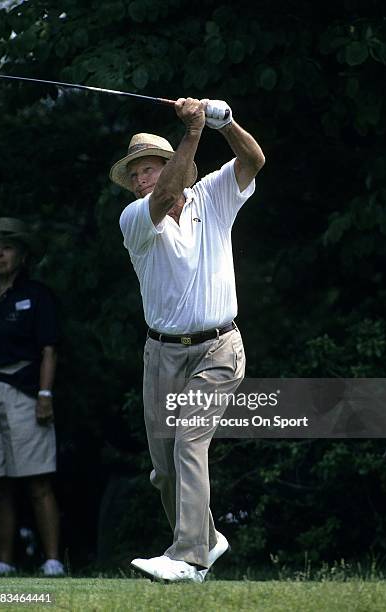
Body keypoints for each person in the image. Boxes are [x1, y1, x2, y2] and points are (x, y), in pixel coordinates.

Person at [110, 98, 265, 582]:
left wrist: (226, 122)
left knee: (189, 440)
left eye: (150, 168)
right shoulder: (136, 217)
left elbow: (254, 160)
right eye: (134, 174)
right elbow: (163, 198)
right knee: (165, 468)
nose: (141, 180)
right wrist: (195, 129)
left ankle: (187, 557)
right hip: (161, 353)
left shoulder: (212, 193)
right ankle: (207, 538)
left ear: (177, 164)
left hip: (219, 347)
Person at [0, 217, 64, 577]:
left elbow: (49, 348)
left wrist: (44, 394)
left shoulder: (36, 295)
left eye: (6, 247)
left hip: (25, 389)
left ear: (21, 255)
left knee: (37, 479)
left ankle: (52, 560)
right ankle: (4, 561)